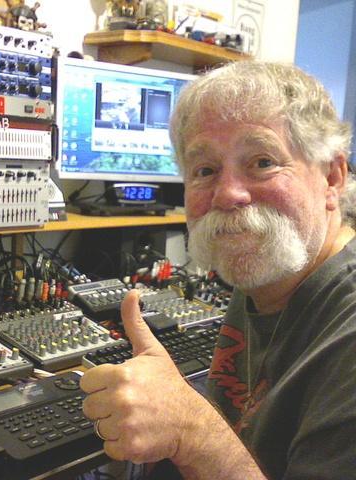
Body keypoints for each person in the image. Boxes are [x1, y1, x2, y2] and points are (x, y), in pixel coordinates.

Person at [80, 60, 356, 480]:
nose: (228, 195)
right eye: (205, 171)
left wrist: (192, 430)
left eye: (262, 162)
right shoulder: (266, 276)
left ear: (332, 178)